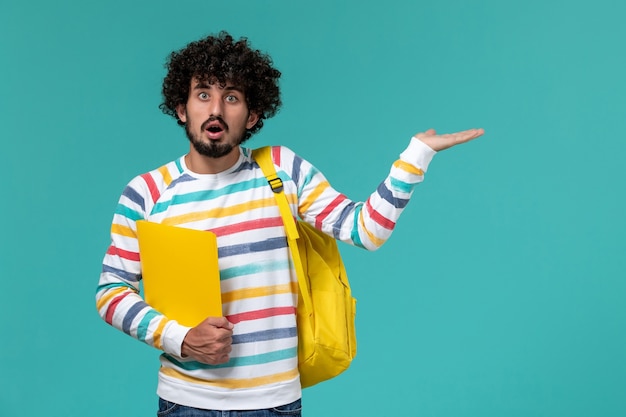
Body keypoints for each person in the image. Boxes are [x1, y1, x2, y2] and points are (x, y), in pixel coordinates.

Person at [95, 31, 484, 416]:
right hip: (186, 402)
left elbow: (365, 230)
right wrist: (179, 338)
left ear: (252, 115)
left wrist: (415, 159)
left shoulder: (280, 170)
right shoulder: (145, 192)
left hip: (275, 403)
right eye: (203, 95)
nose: (216, 109)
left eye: (231, 97)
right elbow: (111, 292)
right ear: (182, 108)